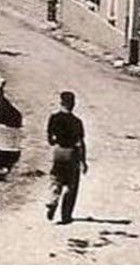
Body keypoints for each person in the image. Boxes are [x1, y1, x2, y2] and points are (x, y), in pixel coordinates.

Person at [44, 90, 87, 224]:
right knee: (71, 185)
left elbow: (50, 139)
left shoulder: (54, 118)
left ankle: (53, 200)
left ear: (61, 102)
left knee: (56, 178)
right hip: (71, 152)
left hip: (58, 151)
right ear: (73, 103)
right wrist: (83, 161)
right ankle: (66, 215)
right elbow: (80, 143)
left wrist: (55, 142)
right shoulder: (77, 122)